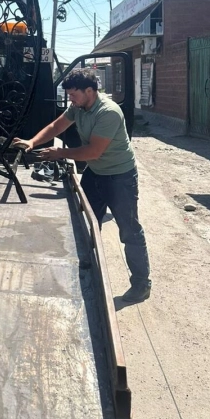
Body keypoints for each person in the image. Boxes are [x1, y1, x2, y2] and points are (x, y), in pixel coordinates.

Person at [12, 68, 151, 303]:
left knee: (129, 230)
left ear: (89, 91)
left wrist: (60, 153)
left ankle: (141, 284)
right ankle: (89, 266)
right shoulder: (78, 107)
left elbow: (93, 152)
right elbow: (56, 127)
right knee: (87, 223)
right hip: (95, 174)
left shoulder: (108, 112)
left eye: (73, 94)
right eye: (68, 95)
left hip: (120, 177)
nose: (70, 99)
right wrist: (32, 142)